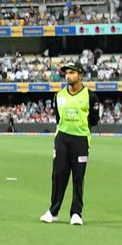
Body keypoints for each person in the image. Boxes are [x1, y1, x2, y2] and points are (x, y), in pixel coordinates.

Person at [40, 61, 99, 226]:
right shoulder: (58, 96)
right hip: (62, 139)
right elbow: (58, 118)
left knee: (78, 177)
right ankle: (53, 211)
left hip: (80, 139)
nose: (68, 76)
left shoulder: (90, 96)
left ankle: (76, 213)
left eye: (72, 73)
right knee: (58, 175)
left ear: (80, 75)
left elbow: (94, 120)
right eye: (66, 73)